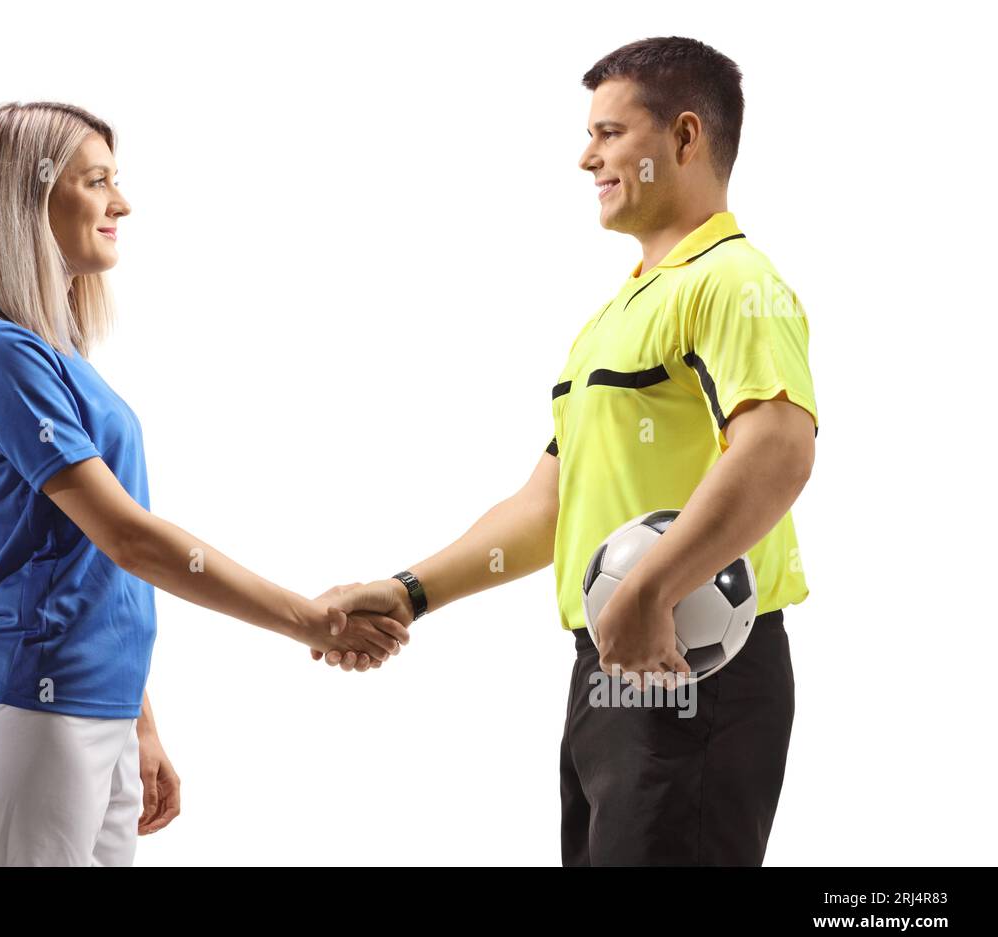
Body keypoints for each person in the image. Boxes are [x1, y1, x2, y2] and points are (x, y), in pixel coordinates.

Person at [317, 37, 818, 866]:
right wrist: (409, 593)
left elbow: (778, 450)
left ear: (685, 139)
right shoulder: (615, 317)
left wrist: (651, 589)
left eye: (610, 132)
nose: (586, 156)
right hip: (613, 661)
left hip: (695, 666)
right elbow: (548, 505)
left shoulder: (733, 281)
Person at [0, 101, 409, 867]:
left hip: (97, 718)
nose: (120, 203)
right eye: (97, 182)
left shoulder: (56, 358)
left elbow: (87, 562)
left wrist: (138, 721)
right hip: (33, 718)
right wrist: (312, 623)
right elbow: (128, 538)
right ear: (30, 196)